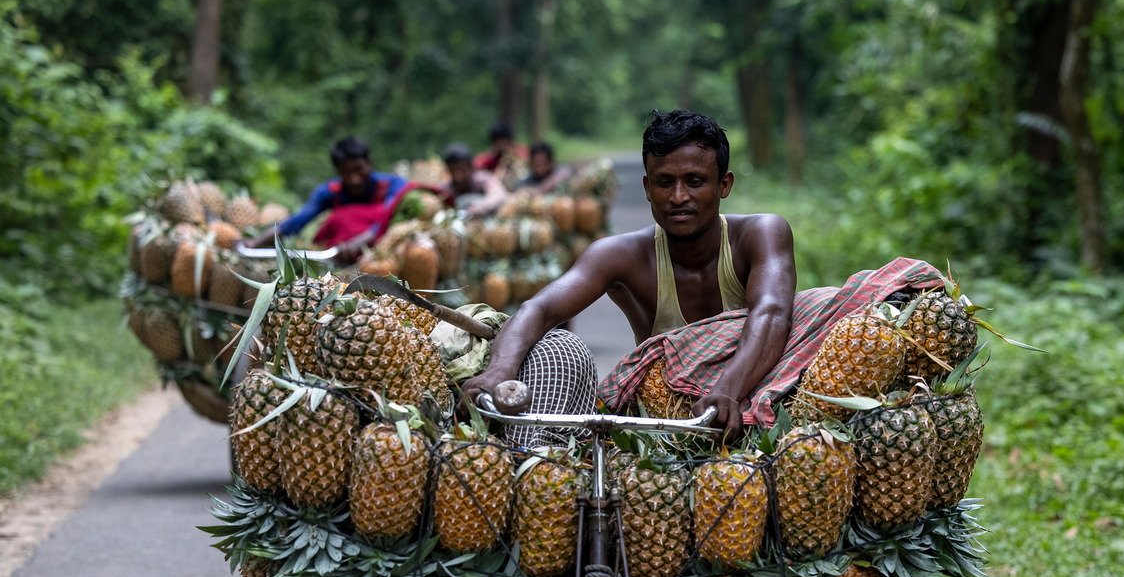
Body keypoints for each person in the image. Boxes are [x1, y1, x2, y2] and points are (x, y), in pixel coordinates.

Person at [463, 109, 797, 441]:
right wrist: (498, 372)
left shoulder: (761, 233)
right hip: (665, 427)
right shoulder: (621, 255)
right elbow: (540, 309)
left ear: (724, 185)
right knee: (560, 346)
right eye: (665, 183)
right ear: (648, 187)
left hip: (747, 407)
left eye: (694, 182)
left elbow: (771, 313)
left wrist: (726, 392)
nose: (678, 197)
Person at [244, 137, 408, 263]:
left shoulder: (392, 186)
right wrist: (255, 243)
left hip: (386, 258)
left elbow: (389, 219)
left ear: (370, 163)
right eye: (345, 172)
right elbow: (298, 221)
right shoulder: (330, 192)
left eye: (359, 169)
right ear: (337, 171)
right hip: (343, 260)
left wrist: (358, 242)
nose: (354, 180)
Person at [440, 143, 509, 217]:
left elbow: (499, 195)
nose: (458, 177)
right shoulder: (446, 189)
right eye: (452, 171)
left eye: (462, 170)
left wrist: (481, 207)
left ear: (471, 167)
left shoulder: (484, 179)